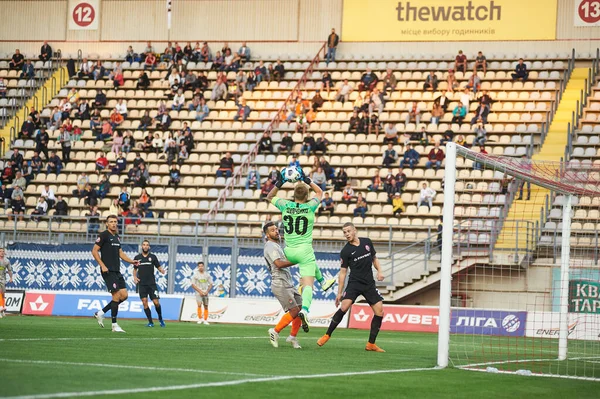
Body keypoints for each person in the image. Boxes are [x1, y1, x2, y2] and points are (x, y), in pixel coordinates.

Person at [266, 169, 336, 331]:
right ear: (306, 196)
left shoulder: (285, 205)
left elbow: (269, 197)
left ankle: (324, 282)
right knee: (307, 284)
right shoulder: (310, 206)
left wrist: (280, 183)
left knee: (311, 261)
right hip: (304, 250)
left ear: (294, 195)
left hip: (289, 250)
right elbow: (320, 192)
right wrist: (308, 179)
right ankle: (305, 310)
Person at [317, 223, 385, 352]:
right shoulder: (346, 251)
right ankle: (327, 335)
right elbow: (343, 272)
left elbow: (374, 259)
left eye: (348, 231)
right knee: (344, 307)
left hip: (369, 284)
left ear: (355, 230)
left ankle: (371, 344)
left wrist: (380, 271)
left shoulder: (367, 242)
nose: (346, 234)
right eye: (344, 232)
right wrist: (339, 293)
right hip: (354, 283)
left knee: (380, 312)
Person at [92, 215, 140, 333]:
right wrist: (102, 265)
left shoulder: (116, 237)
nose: (113, 223)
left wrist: (131, 261)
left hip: (117, 270)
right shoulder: (103, 235)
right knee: (116, 296)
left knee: (124, 295)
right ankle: (114, 325)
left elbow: (120, 253)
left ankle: (100, 313)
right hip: (108, 271)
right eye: (111, 222)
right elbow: (94, 251)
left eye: (115, 222)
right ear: (107, 224)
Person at [264, 222, 303, 349]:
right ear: (267, 234)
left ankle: (292, 337)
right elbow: (279, 264)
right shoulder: (270, 246)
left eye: (276, 229)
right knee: (294, 310)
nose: (276, 231)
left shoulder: (277, 246)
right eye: (272, 230)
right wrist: (296, 260)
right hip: (280, 282)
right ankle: (274, 332)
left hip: (288, 282)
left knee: (299, 308)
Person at [133, 240, 166, 328]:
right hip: (142, 284)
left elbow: (158, 266)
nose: (145, 246)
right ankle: (150, 322)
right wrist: (135, 277)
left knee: (156, 302)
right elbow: (135, 269)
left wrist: (161, 270)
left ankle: (160, 318)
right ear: (141, 246)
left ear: (149, 247)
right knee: (144, 302)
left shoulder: (153, 257)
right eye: (144, 245)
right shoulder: (137, 257)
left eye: (147, 245)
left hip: (152, 284)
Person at [0, 248, 13, 318]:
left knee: (2, 293)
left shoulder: (6, 261)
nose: (1, 252)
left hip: (2, 279)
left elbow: (9, 270)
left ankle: (2, 309)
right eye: (0, 251)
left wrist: (11, 278)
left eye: (3, 251)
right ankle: (1, 307)